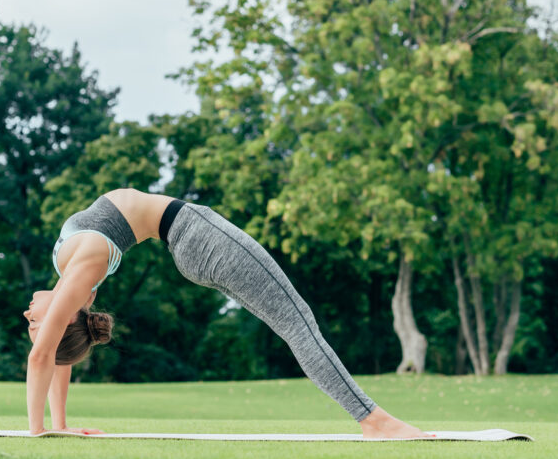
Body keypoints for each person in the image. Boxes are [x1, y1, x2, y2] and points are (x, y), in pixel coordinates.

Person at [23, 188, 426, 438]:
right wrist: (37, 430)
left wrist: (58, 426)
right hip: (197, 236)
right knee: (298, 322)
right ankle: (373, 421)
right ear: (67, 317)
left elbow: (56, 356)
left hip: (190, 242)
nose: (28, 317)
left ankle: (372, 420)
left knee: (292, 325)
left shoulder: (70, 274)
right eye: (37, 325)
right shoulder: (83, 271)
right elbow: (44, 355)